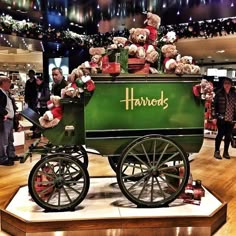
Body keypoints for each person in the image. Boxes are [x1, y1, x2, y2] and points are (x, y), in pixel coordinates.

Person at [212, 77, 236, 159]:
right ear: (223, 84)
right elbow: (214, 106)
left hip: (231, 118)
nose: (227, 85)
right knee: (220, 134)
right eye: (225, 83)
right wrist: (214, 117)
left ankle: (226, 152)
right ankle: (217, 151)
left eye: (228, 83)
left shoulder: (234, 94)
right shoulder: (219, 93)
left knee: (228, 136)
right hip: (221, 118)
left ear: (231, 84)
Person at [0, 76, 20, 166]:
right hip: (4, 120)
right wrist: (4, 113)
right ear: (3, 83)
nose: (10, 84)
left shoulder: (6, 93)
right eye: (8, 82)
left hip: (10, 120)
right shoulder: (0, 93)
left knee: (10, 139)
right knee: (3, 140)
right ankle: (3, 158)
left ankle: (11, 155)